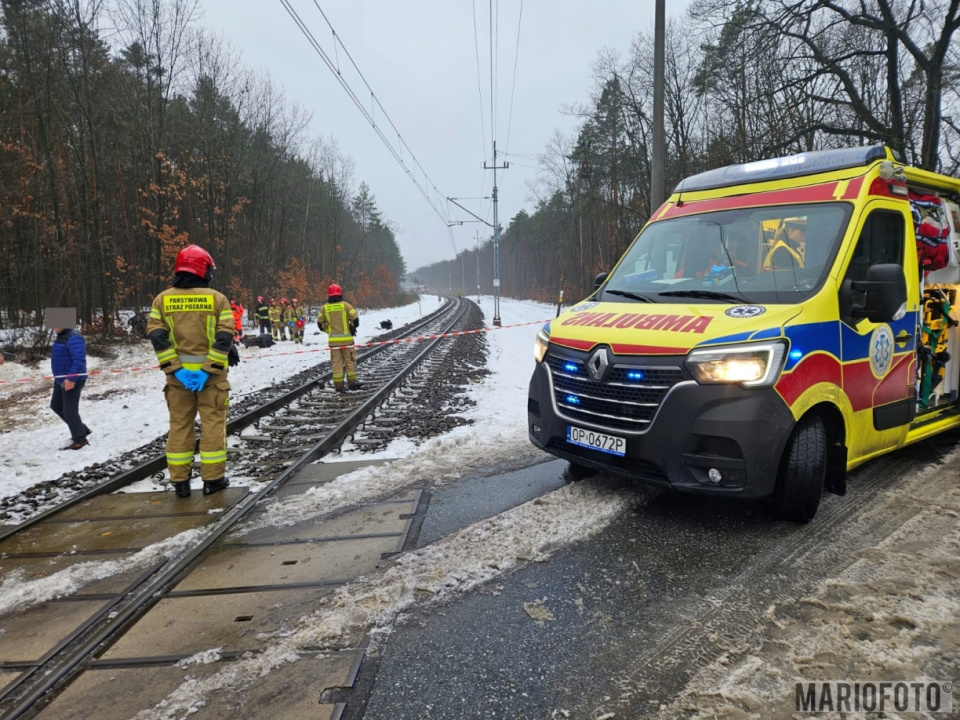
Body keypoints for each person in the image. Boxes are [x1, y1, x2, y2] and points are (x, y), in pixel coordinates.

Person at [146, 245, 238, 498]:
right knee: (212, 425)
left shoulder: (161, 300)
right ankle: (213, 480)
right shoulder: (217, 299)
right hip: (213, 379)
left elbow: (157, 337)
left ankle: (180, 483)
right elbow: (224, 337)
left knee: (179, 426)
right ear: (204, 269)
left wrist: (176, 370)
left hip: (178, 380)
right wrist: (208, 370)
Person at [50, 317, 90, 450]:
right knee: (56, 405)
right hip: (60, 379)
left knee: (69, 411)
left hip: (73, 380)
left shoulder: (74, 337)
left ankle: (80, 440)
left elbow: (79, 360)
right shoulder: (61, 336)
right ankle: (81, 429)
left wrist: (71, 378)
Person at [317, 283, 360, 391]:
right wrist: (351, 327)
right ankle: (352, 384)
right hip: (347, 341)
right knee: (350, 362)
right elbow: (356, 320)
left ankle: (339, 386)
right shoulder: (346, 305)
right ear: (340, 293)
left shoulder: (324, 308)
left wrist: (330, 331)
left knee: (336, 364)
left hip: (333, 342)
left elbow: (320, 325)